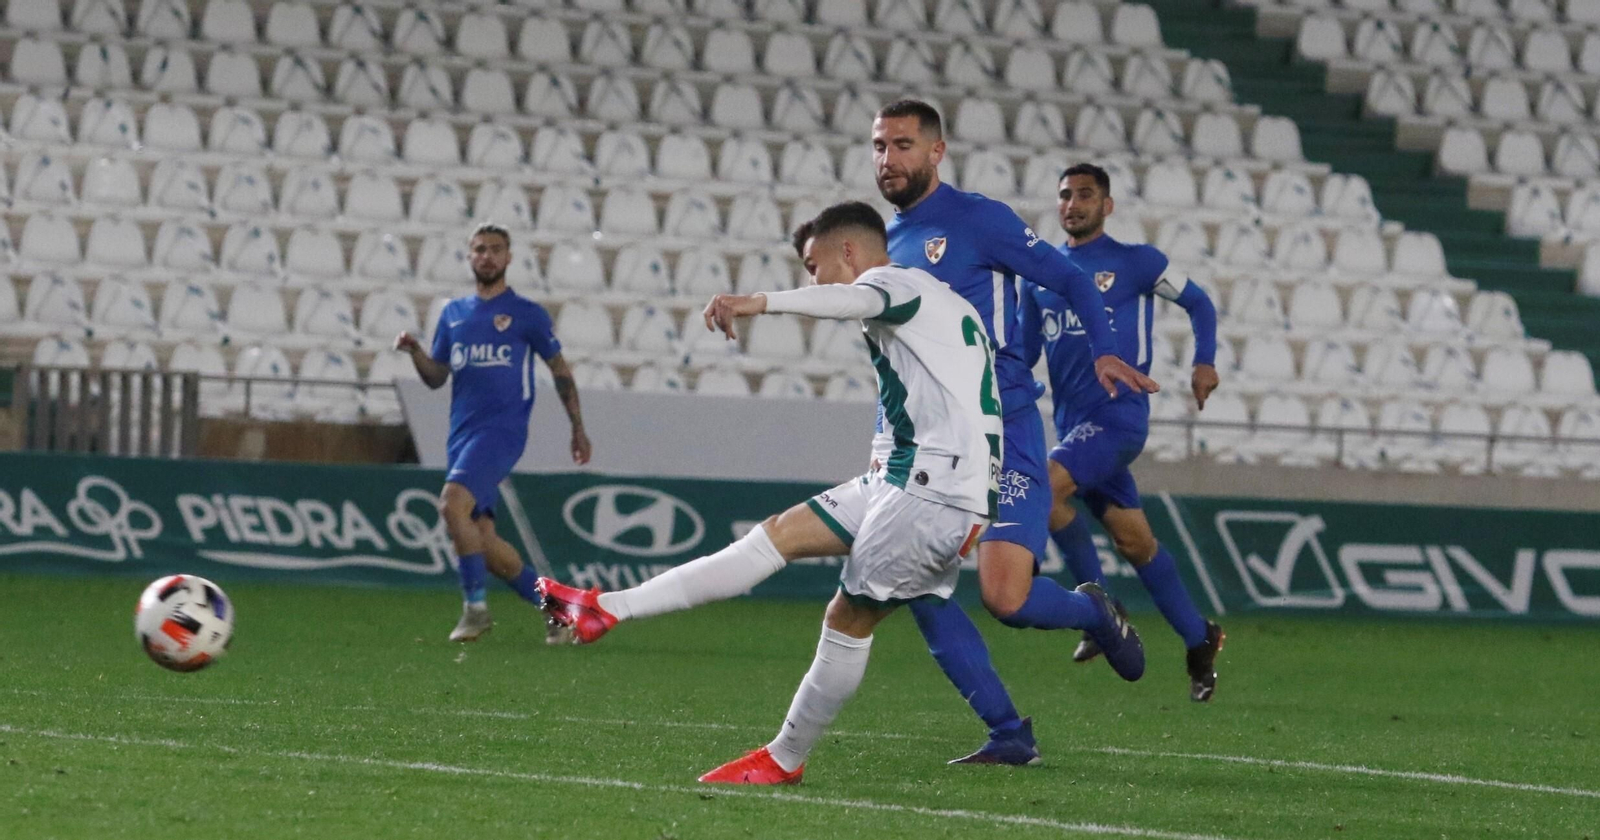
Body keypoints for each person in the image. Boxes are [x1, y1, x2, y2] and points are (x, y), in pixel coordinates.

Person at [537, 202, 1138, 785]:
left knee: (848, 617)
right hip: (909, 478)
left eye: (812, 263)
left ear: (848, 251)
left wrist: (758, 302)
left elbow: (851, 297)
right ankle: (605, 609)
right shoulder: (939, 301)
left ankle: (785, 757)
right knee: (775, 535)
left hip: (933, 494)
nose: (812, 275)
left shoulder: (894, 285)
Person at [871, 100, 1157, 765]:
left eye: (904, 145)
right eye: (881, 146)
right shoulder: (893, 240)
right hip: (933, 444)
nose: (890, 159)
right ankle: (1009, 733)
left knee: (1006, 597)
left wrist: (1105, 350)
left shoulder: (979, 220)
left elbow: (1069, 278)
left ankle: (1095, 612)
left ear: (937, 152)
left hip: (1003, 427)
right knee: (913, 581)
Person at [1021, 163, 1227, 702]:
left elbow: (1199, 302)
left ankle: (1098, 613)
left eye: (1085, 195)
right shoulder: (1040, 274)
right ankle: (1200, 637)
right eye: (1065, 195)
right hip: (1073, 427)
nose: (1073, 204)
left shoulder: (1137, 263)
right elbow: (1022, 355)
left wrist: (1204, 362)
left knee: (1044, 488)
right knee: (1135, 542)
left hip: (1119, 418)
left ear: (1107, 206)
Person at [395, 223, 592, 642]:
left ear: (508, 258)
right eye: (480, 249)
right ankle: (561, 611)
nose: (487, 256)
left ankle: (476, 609)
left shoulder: (526, 314)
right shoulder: (453, 315)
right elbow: (436, 377)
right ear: (470, 257)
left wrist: (577, 427)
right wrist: (416, 353)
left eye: (496, 249)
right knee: (483, 542)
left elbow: (560, 371)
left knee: (451, 504)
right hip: (461, 434)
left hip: (502, 431)